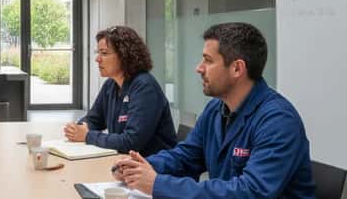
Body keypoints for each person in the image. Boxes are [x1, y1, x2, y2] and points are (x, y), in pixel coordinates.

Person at [114, 22, 316, 198]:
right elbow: (186, 156)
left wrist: (157, 184)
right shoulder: (216, 109)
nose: (199, 68)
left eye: (208, 60)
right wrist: (138, 168)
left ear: (237, 68)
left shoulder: (278, 121)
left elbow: (250, 192)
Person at [64, 25, 177, 156]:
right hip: (126, 163)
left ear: (124, 56)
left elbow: (131, 142)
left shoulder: (145, 87)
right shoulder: (111, 85)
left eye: (104, 53)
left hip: (155, 168)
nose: (97, 59)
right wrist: (81, 127)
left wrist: (87, 135)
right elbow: (94, 119)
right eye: (98, 53)